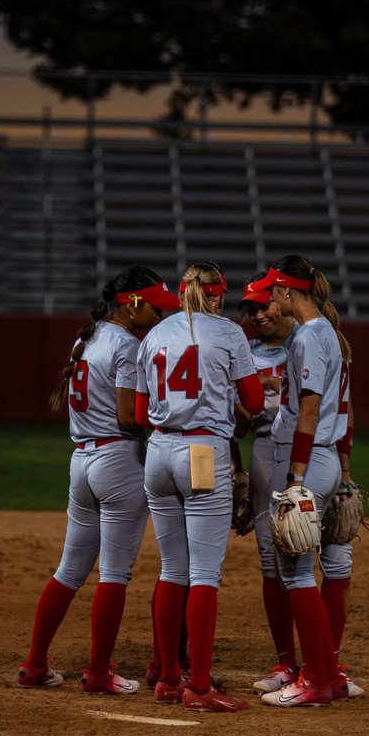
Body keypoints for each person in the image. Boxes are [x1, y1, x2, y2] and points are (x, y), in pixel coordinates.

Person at [16, 267, 180, 693]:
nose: (160, 318)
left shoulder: (85, 338)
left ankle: (35, 663)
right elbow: (130, 416)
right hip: (119, 461)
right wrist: (173, 421)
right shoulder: (127, 345)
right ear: (132, 304)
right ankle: (99, 672)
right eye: (155, 308)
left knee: (69, 570)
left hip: (82, 461)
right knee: (113, 574)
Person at [135, 260, 265, 712]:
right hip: (203, 453)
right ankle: (201, 688)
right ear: (218, 293)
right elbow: (254, 401)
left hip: (157, 452)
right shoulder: (228, 333)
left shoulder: (154, 334)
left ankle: (169, 678)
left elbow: (138, 412)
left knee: (172, 569)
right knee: (204, 574)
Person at [248, 254, 361, 708]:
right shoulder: (326, 335)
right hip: (323, 458)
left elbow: (309, 411)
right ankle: (326, 676)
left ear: (289, 292)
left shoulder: (310, 337)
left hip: (307, 459)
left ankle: (316, 680)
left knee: (294, 572)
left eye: (274, 291)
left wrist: (294, 477)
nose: (270, 300)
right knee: (299, 571)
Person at [233, 275, 300, 691]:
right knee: (269, 559)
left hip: (303, 452)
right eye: (251, 310)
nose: (258, 316)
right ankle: (285, 664)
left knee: (305, 551)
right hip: (262, 449)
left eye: (264, 307)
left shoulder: (308, 342)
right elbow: (238, 425)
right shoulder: (245, 354)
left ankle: (324, 663)